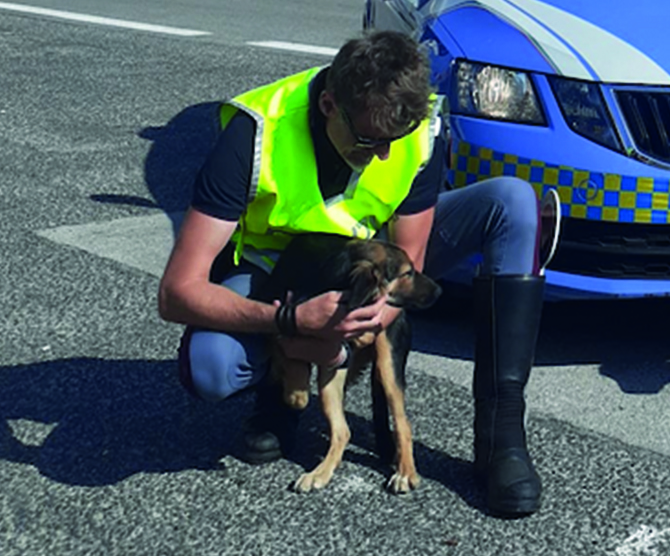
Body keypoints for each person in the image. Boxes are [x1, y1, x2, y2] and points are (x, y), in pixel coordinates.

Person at [157, 31, 555, 516]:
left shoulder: (415, 129)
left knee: (512, 204)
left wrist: (342, 341)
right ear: (329, 104)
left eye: (396, 140)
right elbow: (176, 293)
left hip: (365, 265)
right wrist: (290, 324)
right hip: (275, 269)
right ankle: (277, 394)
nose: (385, 155)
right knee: (213, 368)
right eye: (370, 140)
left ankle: (503, 438)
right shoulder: (254, 132)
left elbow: (410, 260)